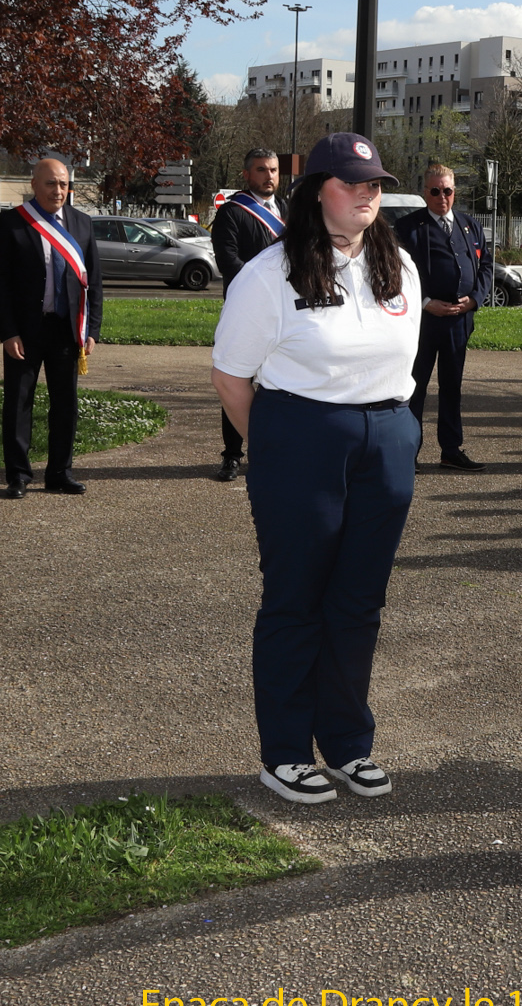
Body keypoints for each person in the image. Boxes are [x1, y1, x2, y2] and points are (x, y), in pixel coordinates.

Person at [210, 133, 422, 806]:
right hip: (302, 440)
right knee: (296, 599)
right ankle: (285, 753)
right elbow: (230, 375)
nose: (366, 193)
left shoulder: (399, 265)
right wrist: (277, 448)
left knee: (358, 601)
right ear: (315, 192)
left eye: (374, 183)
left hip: (386, 438)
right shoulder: (270, 273)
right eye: (350, 181)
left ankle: (348, 743)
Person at [0, 155, 103, 498]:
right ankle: (18, 475)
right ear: (34, 185)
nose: (59, 190)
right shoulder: (13, 222)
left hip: (66, 329)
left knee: (65, 403)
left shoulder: (82, 223)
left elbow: (94, 282)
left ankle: (60, 472)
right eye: (51, 183)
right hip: (25, 331)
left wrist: (92, 329)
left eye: (64, 184)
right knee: (18, 402)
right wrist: (8, 331)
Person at [394, 163, 492, 471]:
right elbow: (395, 274)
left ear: (454, 192)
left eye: (447, 190)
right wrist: (425, 303)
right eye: (435, 191)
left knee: (452, 387)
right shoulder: (408, 228)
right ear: (425, 193)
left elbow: (486, 266)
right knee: (415, 387)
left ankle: (451, 450)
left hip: (458, 321)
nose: (442, 197)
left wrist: (474, 300)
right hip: (422, 321)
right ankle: (407, 452)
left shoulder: (469, 225)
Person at [210, 147, 284, 482]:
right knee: (237, 379)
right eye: (262, 170)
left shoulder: (288, 211)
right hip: (246, 311)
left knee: (279, 384)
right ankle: (232, 455)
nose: (269, 176)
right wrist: (263, 291)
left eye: (273, 170)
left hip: (286, 313)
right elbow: (228, 261)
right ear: (246, 174)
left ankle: (274, 451)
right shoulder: (231, 213)